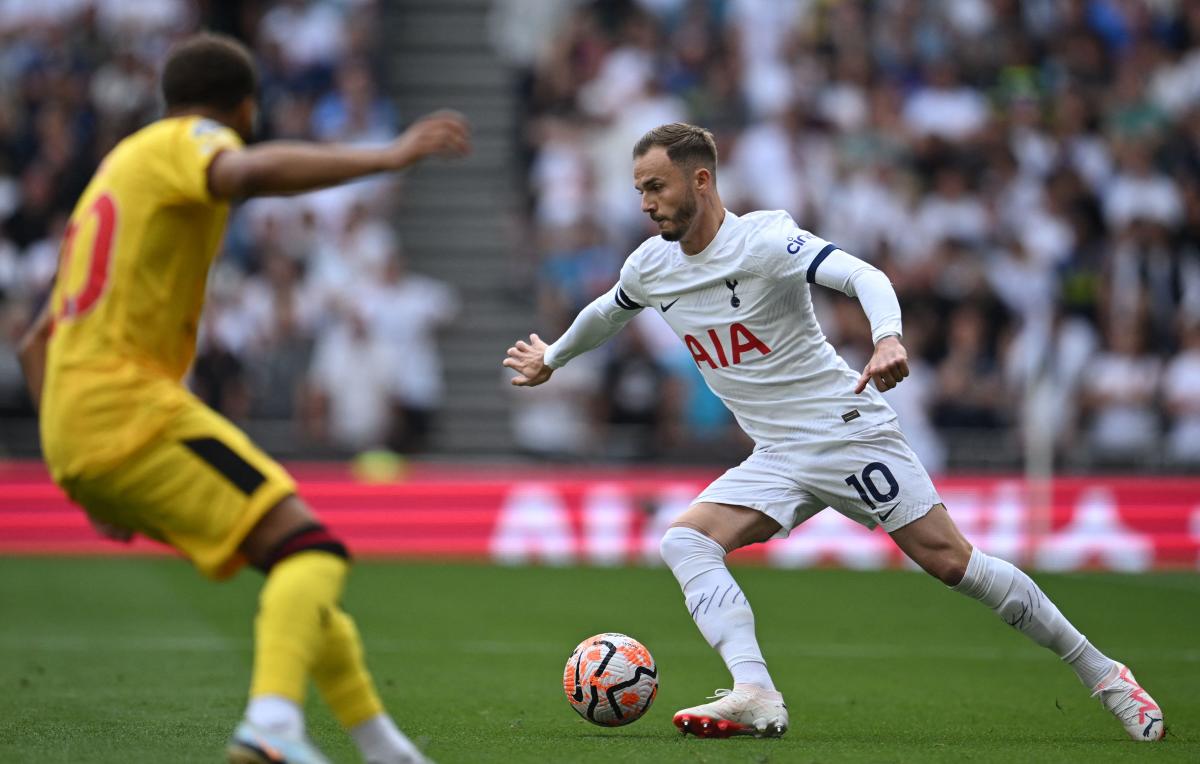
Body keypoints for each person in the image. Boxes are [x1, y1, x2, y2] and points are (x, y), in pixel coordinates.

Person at [503, 123, 1164, 743]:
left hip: (843, 429)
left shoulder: (763, 241)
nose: (645, 203)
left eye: (656, 186)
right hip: (779, 452)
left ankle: (1105, 674)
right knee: (686, 541)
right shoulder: (652, 266)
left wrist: (886, 338)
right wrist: (553, 358)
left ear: (701, 181)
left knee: (950, 563)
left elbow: (862, 275)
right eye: (640, 189)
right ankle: (755, 691)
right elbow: (607, 310)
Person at [17, 33, 470, 764]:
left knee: (288, 558)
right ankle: (270, 725)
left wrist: (75, 464)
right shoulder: (186, 139)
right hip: (126, 406)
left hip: (79, 425)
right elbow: (242, 170)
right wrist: (385, 157)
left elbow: (32, 340)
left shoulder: (113, 174)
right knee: (313, 552)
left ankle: (385, 749)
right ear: (245, 107)